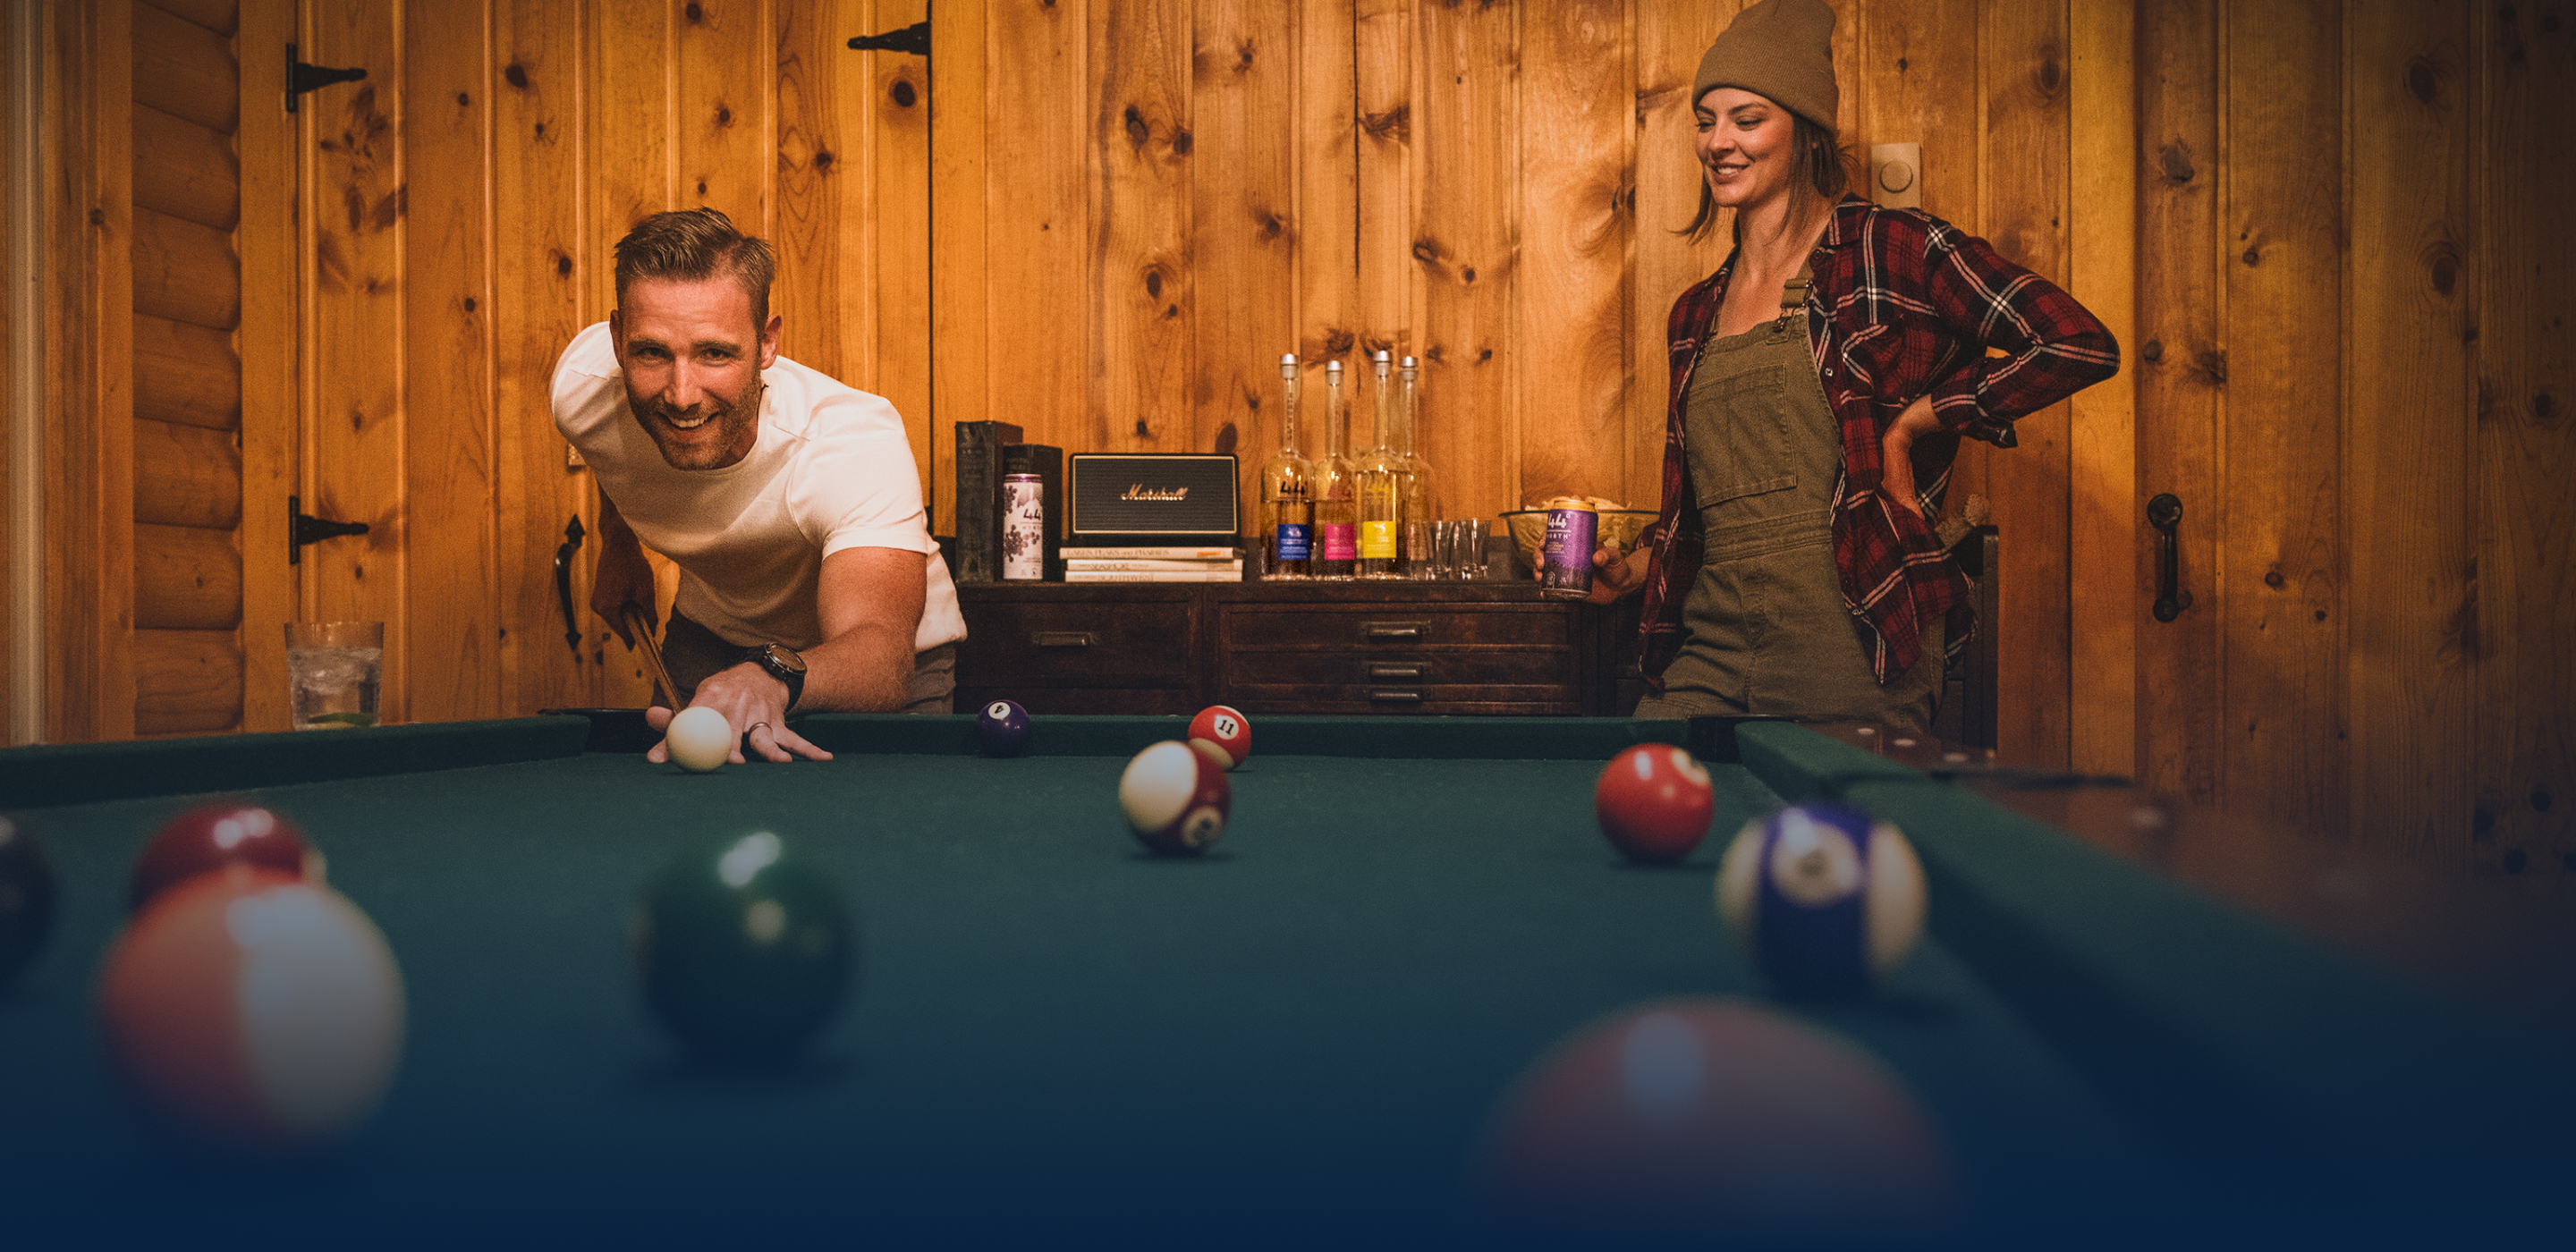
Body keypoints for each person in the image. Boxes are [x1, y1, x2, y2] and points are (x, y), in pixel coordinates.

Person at [1589, 0, 2117, 732]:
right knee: (1647, 800)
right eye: (1706, 121)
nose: (1719, 142)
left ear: (1805, 133)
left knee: (1838, 846)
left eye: (1747, 119)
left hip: (1852, 634)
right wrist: (1639, 571)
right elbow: (1717, 517)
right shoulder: (1694, 311)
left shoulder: (1888, 247)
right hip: (1712, 646)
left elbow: (2074, 343)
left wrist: (1915, 423)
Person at [552, 208, 966, 764]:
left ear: (767, 341)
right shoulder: (582, 394)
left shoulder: (848, 444)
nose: (681, 394)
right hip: (712, 635)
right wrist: (618, 543)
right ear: (618, 337)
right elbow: (613, 451)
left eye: (715, 353)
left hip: (868, 660)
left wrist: (772, 675)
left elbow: (879, 654)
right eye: (651, 352)